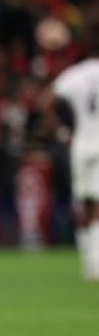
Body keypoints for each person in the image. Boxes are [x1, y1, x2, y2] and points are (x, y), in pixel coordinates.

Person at [45, 46, 99, 281]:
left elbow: (46, 101)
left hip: (80, 143)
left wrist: (62, 133)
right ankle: (97, 263)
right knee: (97, 203)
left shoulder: (75, 74)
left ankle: (88, 263)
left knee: (82, 203)